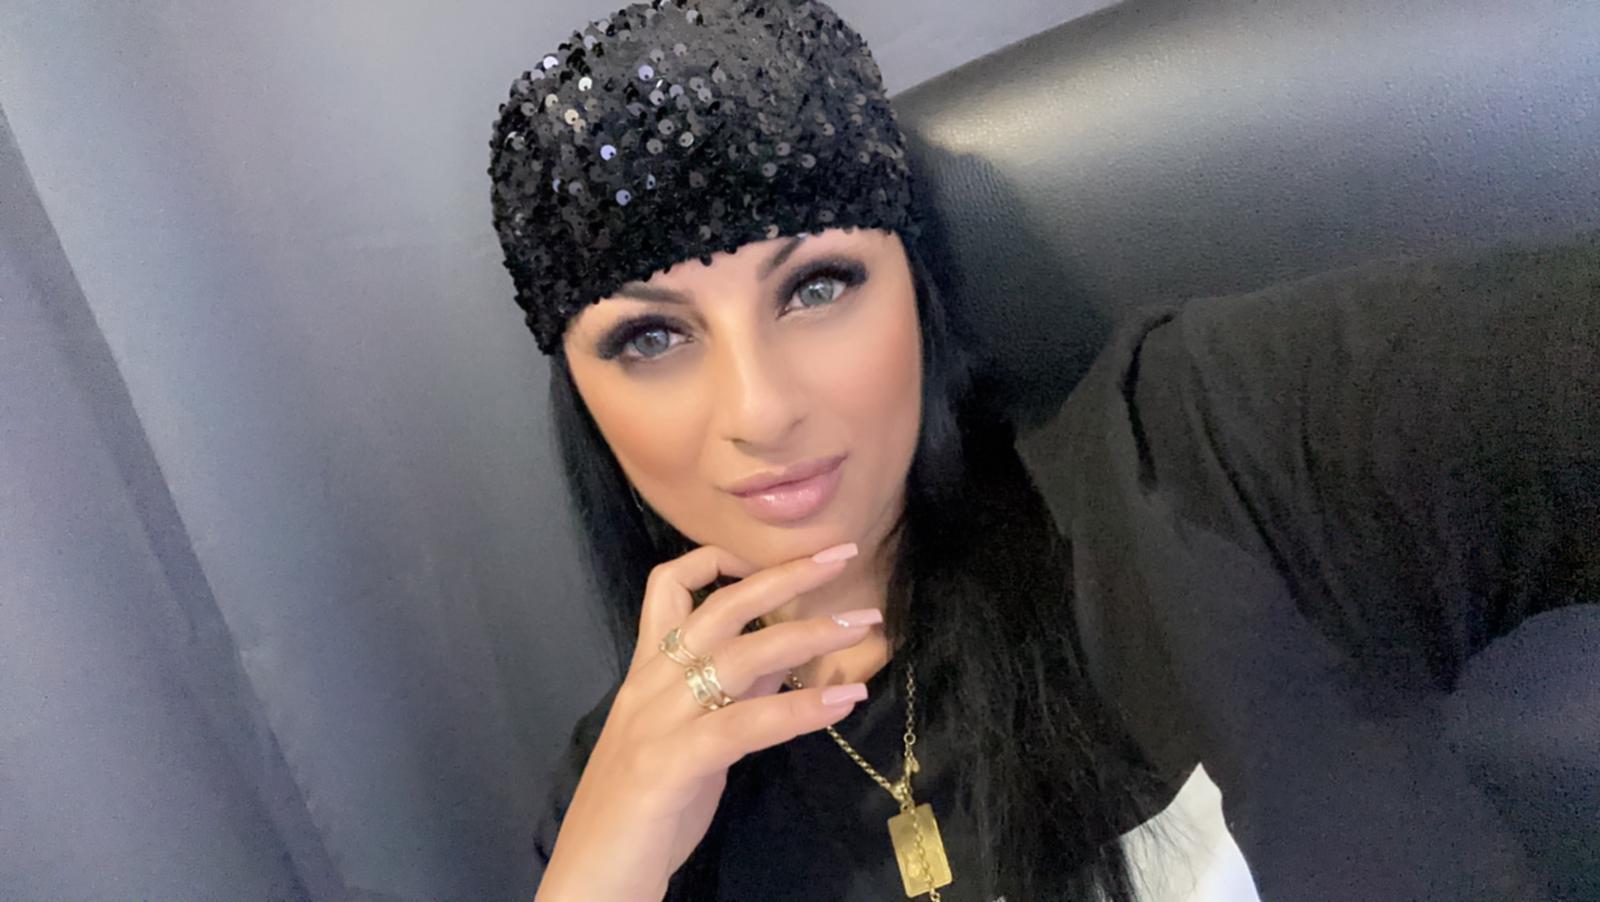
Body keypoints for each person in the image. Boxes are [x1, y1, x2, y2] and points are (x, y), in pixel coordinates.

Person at [487, 2, 1600, 899]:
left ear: (914, 293)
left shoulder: (1207, 458)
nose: (759, 408)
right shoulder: (629, 791)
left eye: (817, 287)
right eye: (652, 338)